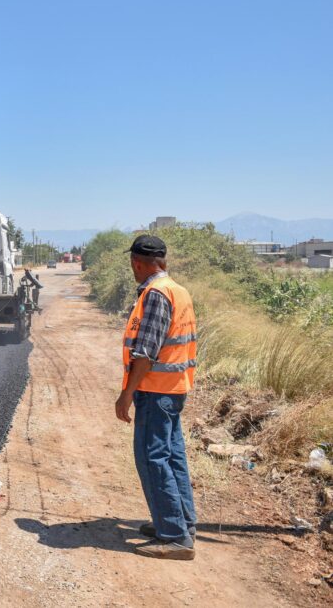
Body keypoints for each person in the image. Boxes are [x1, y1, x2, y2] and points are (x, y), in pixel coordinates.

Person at [115, 235, 198, 561]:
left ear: (137, 262)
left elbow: (146, 353)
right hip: (175, 387)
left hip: (156, 390)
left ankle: (175, 537)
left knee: (153, 459)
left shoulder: (156, 295)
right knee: (172, 457)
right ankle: (181, 524)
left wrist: (126, 394)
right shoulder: (178, 289)